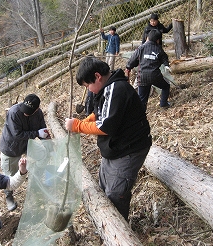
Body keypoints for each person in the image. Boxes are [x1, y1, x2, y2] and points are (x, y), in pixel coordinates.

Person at [65, 57, 152, 221]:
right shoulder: (108, 87)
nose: (89, 90)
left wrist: (77, 126)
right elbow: (100, 114)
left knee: (115, 193)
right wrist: (84, 122)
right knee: (104, 187)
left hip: (130, 148)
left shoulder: (116, 88)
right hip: (116, 146)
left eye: (88, 85)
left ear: (97, 76)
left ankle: (119, 229)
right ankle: (108, 220)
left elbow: (105, 126)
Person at [0, 93, 50, 211]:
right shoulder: (14, 112)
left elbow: (43, 130)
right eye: (25, 110)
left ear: (37, 109)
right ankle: (9, 196)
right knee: (9, 175)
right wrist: (37, 133)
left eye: (29, 111)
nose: (26, 113)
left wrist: (49, 145)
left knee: (42, 155)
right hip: (10, 147)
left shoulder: (38, 113)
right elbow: (17, 134)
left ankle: (36, 180)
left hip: (27, 144)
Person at [125, 29, 171, 110]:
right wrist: (166, 65)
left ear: (147, 38)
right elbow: (164, 58)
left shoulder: (141, 48)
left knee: (142, 99)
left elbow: (132, 60)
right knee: (166, 86)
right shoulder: (158, 49)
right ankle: (163, 104)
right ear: (158, 40)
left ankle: (141, 113)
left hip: (142, 77)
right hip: (155, 76)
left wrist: (128, 69)